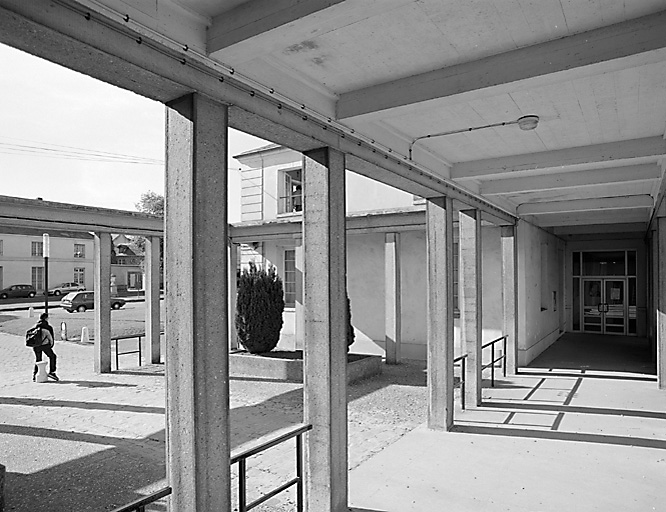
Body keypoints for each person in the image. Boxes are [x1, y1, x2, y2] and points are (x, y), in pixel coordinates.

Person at [32, 312, 59, 382]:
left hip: (36, 345)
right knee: (52, 356)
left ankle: (35, 375)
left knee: (38, 359)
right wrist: (51, 345)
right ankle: (52, 372)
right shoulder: (48, 327)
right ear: (46, 318)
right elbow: (50, 338)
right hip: (45, 345)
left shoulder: (36, 326)